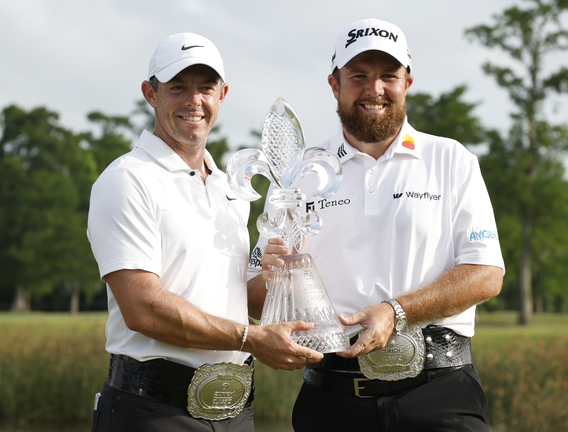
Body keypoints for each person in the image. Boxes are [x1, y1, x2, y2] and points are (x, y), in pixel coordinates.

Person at [247, 18, 505, 431]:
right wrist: (276, 279)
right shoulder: (298, 174)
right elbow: (254, 293)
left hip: (439, 393)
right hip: (330, 398)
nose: (375, 89)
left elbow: (486, 275)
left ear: (408, 82)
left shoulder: (452, 160)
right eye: (359, 76)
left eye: (389, 75)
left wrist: (396, 311)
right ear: (335, 84)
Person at [86, 32, 323, 432]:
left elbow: (238, 299)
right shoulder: (128, 180)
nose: (194, 100)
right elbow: (142, 309)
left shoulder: (230, 187)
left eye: (206, 87)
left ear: (222, 94)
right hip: (152, 414)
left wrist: (273, 278)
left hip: (235, 414)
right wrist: (251, 339)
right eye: (178, 86)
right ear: (151, 93)